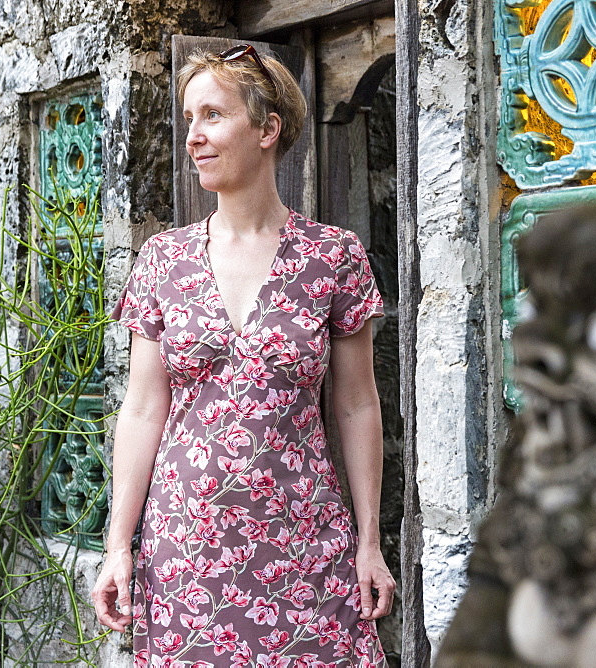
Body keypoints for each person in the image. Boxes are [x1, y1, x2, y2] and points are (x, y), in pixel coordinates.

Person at [91, 45, 394, 667]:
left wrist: (369, 542)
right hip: (185, 551)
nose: (193, 137)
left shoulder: (332, 257)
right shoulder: (162, 260)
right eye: (188, 119)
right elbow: (143, 410)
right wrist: (118, 545)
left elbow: (358, 405)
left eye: (211, 115)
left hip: (305, 545)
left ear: (266, 129)